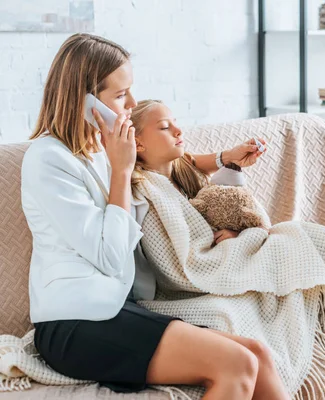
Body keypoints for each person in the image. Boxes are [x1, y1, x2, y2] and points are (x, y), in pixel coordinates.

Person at [22, 33, 288, 399]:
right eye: (119, 95)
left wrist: (224, 159)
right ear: (83, 102)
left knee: (257, 354)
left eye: (130, 91)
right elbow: (109, 256)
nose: (131, 103)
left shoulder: (104, 148)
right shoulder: (49, 160)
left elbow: (176, 160)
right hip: (74, 322)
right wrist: (120, 171)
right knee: (236, 364)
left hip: (117, 308)